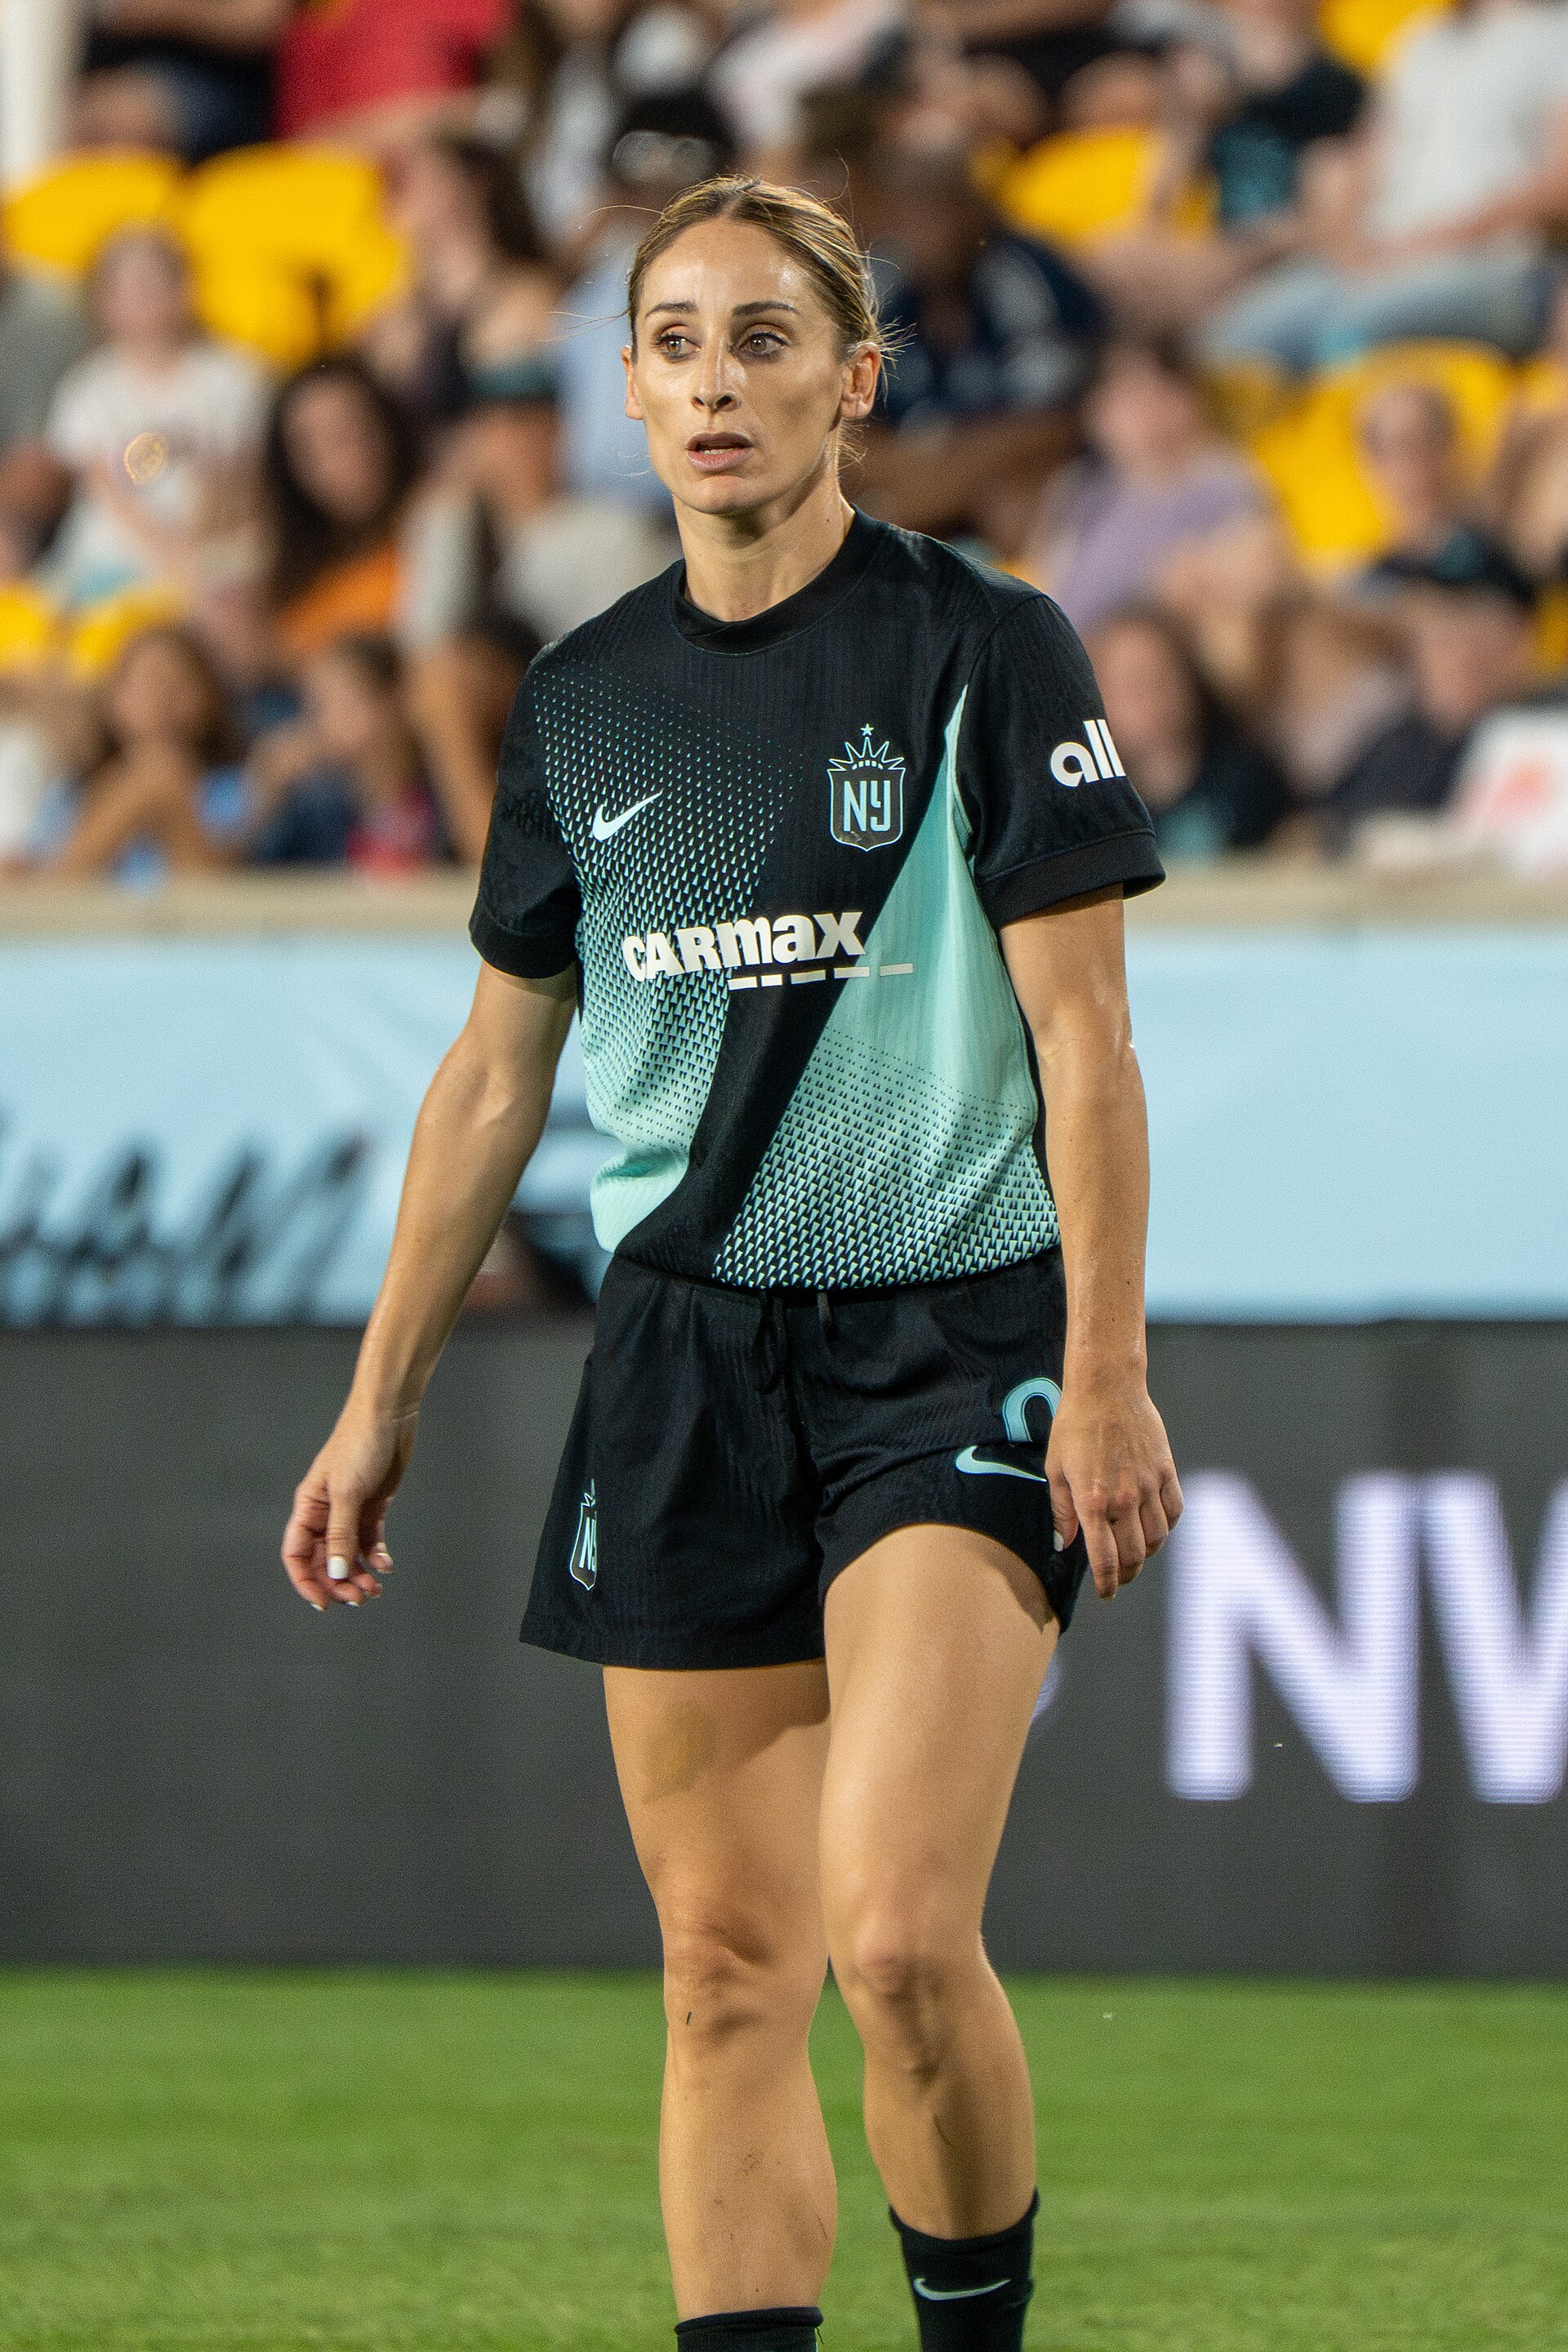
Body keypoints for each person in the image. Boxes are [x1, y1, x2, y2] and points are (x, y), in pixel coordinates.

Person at [281, 176, 1181, 2352]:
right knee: (720, 1977)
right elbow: (498, 1076)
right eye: (676, 341)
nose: (716, 382)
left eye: (766, 339)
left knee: (888, 1939)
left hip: (948, 1340)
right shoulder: (582, 702)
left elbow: (1085, 1042)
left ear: (855, 383)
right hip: (679, 1360)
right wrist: (378, 1396)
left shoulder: (983, 645)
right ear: (627, 391)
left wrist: (1114, 1362)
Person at [1197, 0, 1568, 370]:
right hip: (1385, 259)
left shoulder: (1556, 34)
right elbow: (1370, 158)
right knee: (1223, 344)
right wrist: (1343, 214)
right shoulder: (1424, 40)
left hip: (1495, 265)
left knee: (1345, 336)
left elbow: (1560, 183)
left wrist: (1444, 238)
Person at [41, 227, 270, 613]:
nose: (141, 297)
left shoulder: (234, 378)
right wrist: (169, 562)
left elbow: (235, 481)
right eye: (125, 287)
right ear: (103, 303)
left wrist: (191, 565)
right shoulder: (87, 390)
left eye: (153, 281)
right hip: (108, 564)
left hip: (213, 560)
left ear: (186, 289)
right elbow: (104, 486)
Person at [1025, 336, 1270, 631]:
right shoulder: (1077, 491)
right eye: (1122, 397)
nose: (1143, 412)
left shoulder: (1226, 484)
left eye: (1156, 392)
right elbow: (1045, 590)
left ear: (1189, 399)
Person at [29, 622, 245, 880]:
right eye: (149, 682)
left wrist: (163, 792)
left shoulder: (236, 788)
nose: (163, 700)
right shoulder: (72, 793)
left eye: (180, 683)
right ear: (113, 701)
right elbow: (39, 872)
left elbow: (224, 885)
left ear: (209, 699)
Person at [1088, 604, 1289, 855]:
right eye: (1128, 684)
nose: (1146, 696)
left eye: (1157, 676)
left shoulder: (1248, 780)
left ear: (1189, 680)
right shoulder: (1089, 806)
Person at [249, 632, 442, 872]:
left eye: (339, 701)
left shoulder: (441, 792)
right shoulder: (318, 806)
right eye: (315, 705)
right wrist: (266, 798)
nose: (320, 721)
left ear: (391, 700)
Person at [73, 0, 287, 161]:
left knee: (120, 121)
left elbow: (259, 22)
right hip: (120, 69)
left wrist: (164, 9)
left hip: (227, 83)